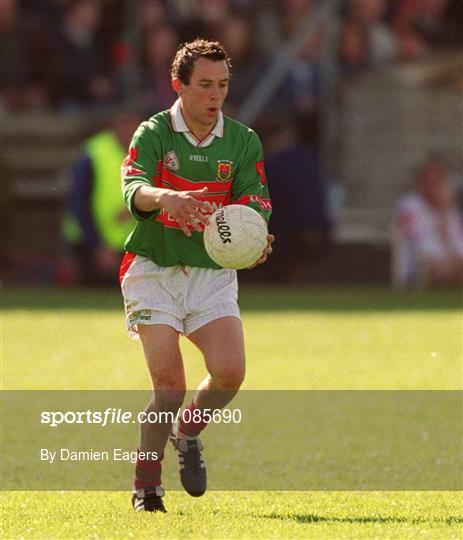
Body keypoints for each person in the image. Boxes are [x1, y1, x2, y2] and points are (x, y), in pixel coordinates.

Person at [119, 39, 274, 512]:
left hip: (210, 276)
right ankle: (147, 486)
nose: (215, 95)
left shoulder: (243, 140)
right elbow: (132, 187)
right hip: (154, 271)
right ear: (179, 86)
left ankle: (187, 434)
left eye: (223, 85)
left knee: (230, 373)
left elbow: (255, 200)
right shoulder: (154, 133)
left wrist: (254, 237)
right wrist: (164, 197)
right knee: (169, 387)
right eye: (205, 85)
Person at [62, 108, 142, 285]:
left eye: (133, 125)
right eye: (124, 124)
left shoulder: (147, 151)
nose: (128, 131)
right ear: (114, 126)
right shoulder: (94, 153)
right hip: (90, 243)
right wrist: (97, 246)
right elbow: (78, 203)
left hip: (132, 245)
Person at [395, 156, 463, 287]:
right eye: (430, 180)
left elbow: (456, 242)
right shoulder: (409, 205)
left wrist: (443, 213)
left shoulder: (450, 211)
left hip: (452, 259)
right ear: (422, 181)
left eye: (438, 181)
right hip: (426, 262)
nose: (434, 185)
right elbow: (417, 239)